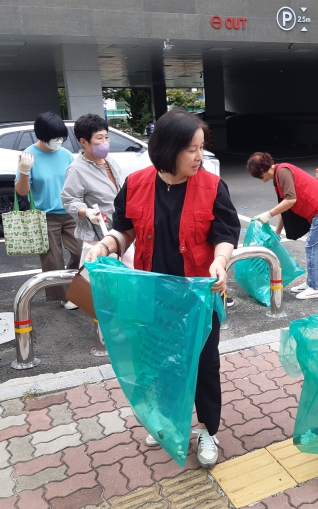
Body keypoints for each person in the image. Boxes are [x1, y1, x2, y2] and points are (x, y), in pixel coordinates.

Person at [85, 110, 240, 468]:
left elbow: (225, 233)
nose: (199, 157)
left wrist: (220, 261)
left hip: (199, 296)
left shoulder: (212, 186)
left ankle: (207, 430)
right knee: (158, 361)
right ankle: (167, 420)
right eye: (191, 149)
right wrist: (106, 245)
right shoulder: (136, 183)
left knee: (204, 364)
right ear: (168, 150)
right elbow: (125, 228)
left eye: (201, 148)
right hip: (154, 294)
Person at [14, 112, 82, 309]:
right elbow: (21, 191)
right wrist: (24, 171)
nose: (58, 141)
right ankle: (64, 296)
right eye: (55, 137)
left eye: (61, 137)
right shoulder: (29, 155)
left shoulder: (66, 155)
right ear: (42, 135)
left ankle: (74, 287)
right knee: (53, 260)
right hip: (45, 216)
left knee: (80, 252)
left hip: (70, 213)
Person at [246, 153, 318, 300]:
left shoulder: (282, 172)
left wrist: (268, 214)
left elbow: (290, 200)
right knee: (311, 247)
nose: (260, 180)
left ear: (263, 170)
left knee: (312, 248)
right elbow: (284, 208)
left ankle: (315, 288)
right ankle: (311, 282)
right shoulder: (278, 177)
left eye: (258, 176)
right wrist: (277, 233)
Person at [61, 114, 123, 246]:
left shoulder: (109, 161)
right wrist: (88, 212)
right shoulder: (77, 169)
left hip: (119, 228)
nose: (105, 142)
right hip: (97, 234)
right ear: (84, 142)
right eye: (99, 138)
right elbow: (70, 200)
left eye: (106, 137)